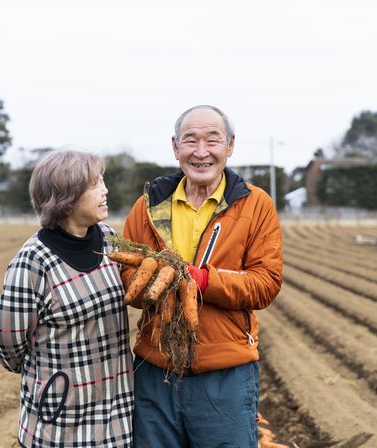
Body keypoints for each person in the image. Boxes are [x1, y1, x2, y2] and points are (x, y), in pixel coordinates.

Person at [121, 105, 283, 447]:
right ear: (175, 146)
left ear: (230, 146)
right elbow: (127, 279)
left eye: (213, 140)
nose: (201, 152)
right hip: (155, 370)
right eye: (190, 140)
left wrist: (204, 281)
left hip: (225, 372)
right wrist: (153, 280)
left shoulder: (255, 205)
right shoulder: (148, 206)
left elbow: (266, 284)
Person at [0, 149, 134, 447]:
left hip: (117, 418)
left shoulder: (109, 239)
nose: (106, 190)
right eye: (96, 184)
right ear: (66, 197)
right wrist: (50, 377)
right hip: (60, 423)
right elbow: (7, 343)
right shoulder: (32, 262)